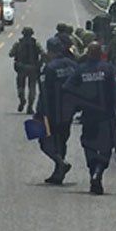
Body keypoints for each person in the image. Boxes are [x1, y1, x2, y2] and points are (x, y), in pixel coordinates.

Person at [63, 42, 116, 195]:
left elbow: (67, 88)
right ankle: (98, 172)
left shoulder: (81, 70)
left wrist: (77, 104)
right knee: (106, 147)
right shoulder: (108, 69)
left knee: (89, 145)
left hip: (89, 115)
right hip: (106, 116)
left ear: (88, 53)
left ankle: (94, 173)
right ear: (100, 54)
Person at [35, 37, 78, 184]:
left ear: (50, 51)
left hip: (52, 112)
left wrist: (40, 112)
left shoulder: (50, 68)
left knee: (45, 141)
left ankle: (60, 163)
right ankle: (58, 172)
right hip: (68, 111)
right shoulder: (73, 65)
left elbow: (44, 92)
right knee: (62, 141)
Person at [9, 27, 45, 114]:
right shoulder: (36, 43)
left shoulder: (18, 43)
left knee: (20, 86)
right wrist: (39, 64)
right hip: (33, 68)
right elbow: (43, 54)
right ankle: (30, 106)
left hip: (21, 67)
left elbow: (11, 54)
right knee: (32, 87)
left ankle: (22, 100)